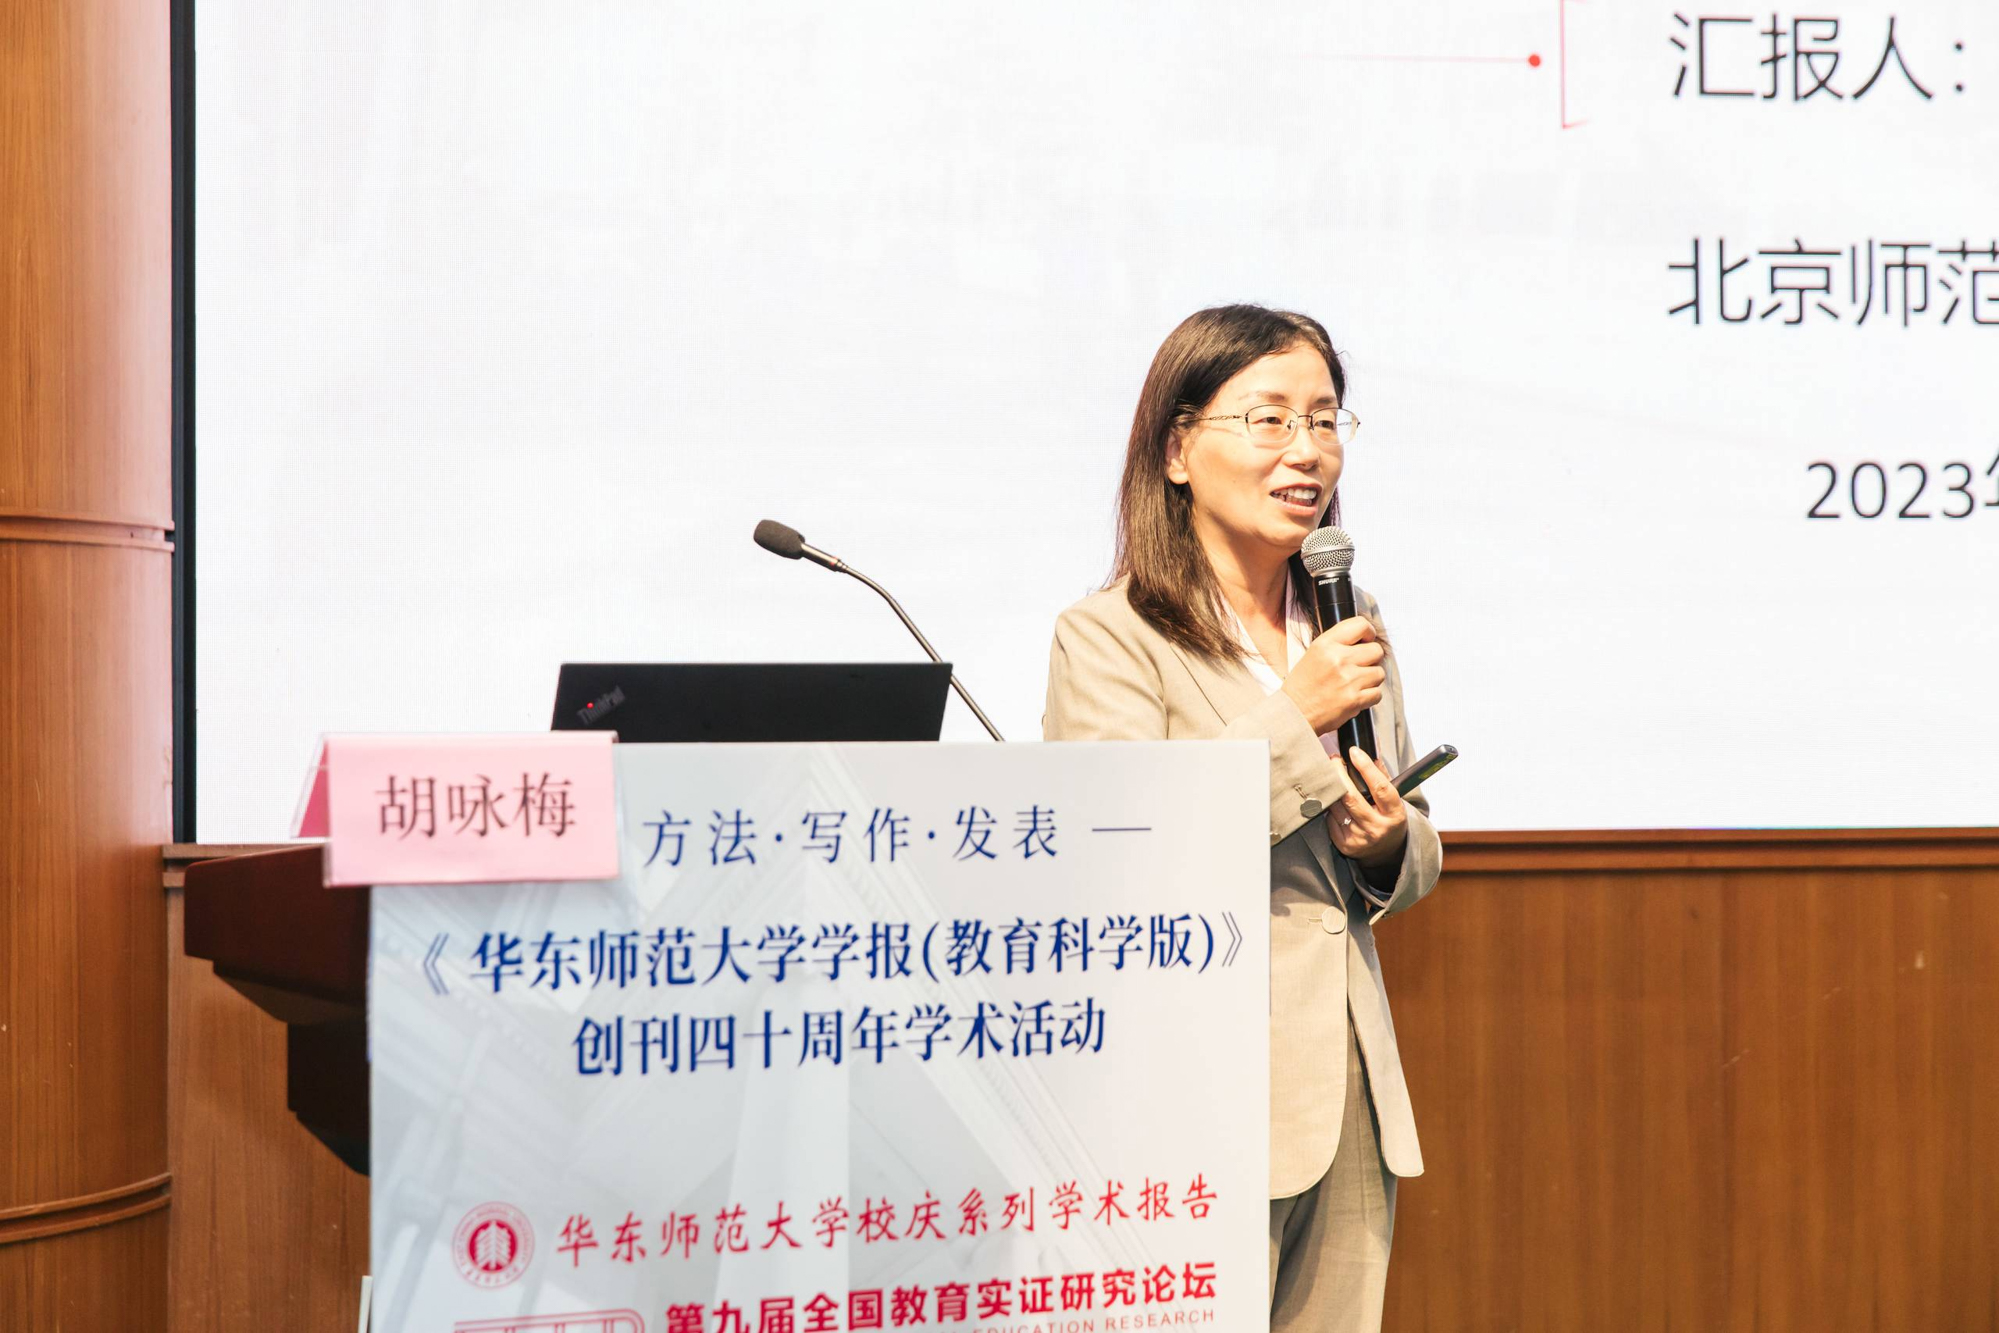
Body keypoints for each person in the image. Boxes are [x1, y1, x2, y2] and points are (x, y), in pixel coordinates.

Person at [1041, 303, 1442, 1333]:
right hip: (1191, 1099)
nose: (1305, 451)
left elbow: (1411, 832)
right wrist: (1294, 715)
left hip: (1348, 1096)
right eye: (1269, 420)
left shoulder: (1347, 620)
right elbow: (1117, 851)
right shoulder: (1110, 637)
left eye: (1324, 420)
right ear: (1177, 449)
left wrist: (1389, 842)